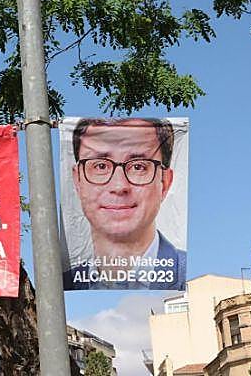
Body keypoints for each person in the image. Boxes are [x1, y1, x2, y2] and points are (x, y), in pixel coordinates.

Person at [63, 118, 186, 291]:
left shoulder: (187, 276)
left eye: (138, 167)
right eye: (100, 166)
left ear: (165, 182)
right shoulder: (63, 282)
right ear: (78, 181)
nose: (119, 186)